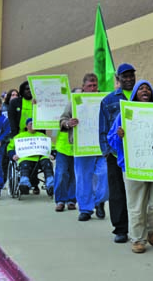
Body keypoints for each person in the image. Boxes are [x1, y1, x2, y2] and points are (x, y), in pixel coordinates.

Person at [99, 59, 153, 243]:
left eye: (132, 75)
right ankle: (133, 236)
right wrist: (110, 147)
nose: (130, 79)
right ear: (119, 78)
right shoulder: (111, 102)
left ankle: (149, 229)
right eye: (126, 76)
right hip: (126, 159)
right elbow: (106, 130)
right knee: (130, 201)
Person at [108, 80, 153, 253]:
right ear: (134, 94)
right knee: (136, 205)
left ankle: (149, 229)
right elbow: (111, 139)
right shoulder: (125, 113)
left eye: (148, 88)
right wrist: (119, 135)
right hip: (133, 165)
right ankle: (137, 239)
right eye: (141, 88)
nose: (145, 90)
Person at [63, 74, 108, 221]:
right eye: (90, 86)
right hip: (82, 146)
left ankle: (99, 201)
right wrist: (69, 123)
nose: (93, 88)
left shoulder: (104, 100)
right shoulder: (74, 102)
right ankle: (86, 209)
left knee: (104, 175)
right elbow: (62, 120)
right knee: (83, 178)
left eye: (95, 85)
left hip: (101, 146)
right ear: (83, 86)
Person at [7, 118, 55, 196]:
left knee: (47, 164)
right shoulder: (20, 136)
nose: (33, 126)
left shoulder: (42, 136)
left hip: (41, 157)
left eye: (34, 124)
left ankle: (51, 185)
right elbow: (10, 147)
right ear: (26, 126)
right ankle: (24, 184)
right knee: (25, 166)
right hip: (26, 158)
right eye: (31, 124)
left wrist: (52, 154)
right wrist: (13, 155)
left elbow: (52, 147)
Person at [53, 87, 82, 212]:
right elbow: (62, 121)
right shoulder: (68, 107)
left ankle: (71, 200)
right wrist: (67, 124)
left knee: (75, 175)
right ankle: (60, 200)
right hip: (64, 147)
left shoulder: (86, 108)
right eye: (76, 95)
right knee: (61, 174)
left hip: (79, 148)